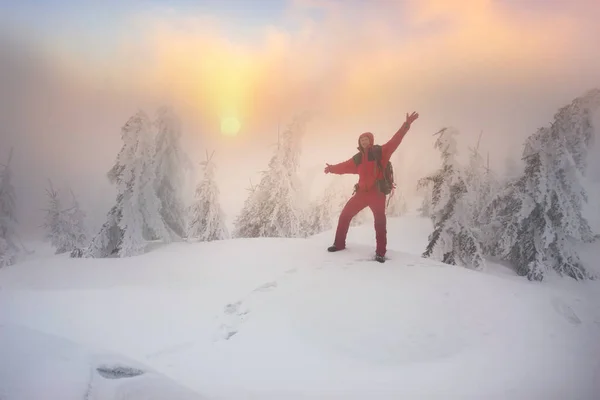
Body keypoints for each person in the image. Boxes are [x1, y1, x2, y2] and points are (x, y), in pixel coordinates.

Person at [324, 112, 419, 262]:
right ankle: (339, 244)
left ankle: (380, 252)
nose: (363, 141)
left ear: (371, 140)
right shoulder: (358, 158)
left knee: (379, 223)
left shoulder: (380, 152)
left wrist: (406, 125)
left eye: (366, 138)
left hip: (377, 193)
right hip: (361, 194)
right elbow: (344, 167)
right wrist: (331, 169)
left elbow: (395, 141)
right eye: (361, 139)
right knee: (345, 216)